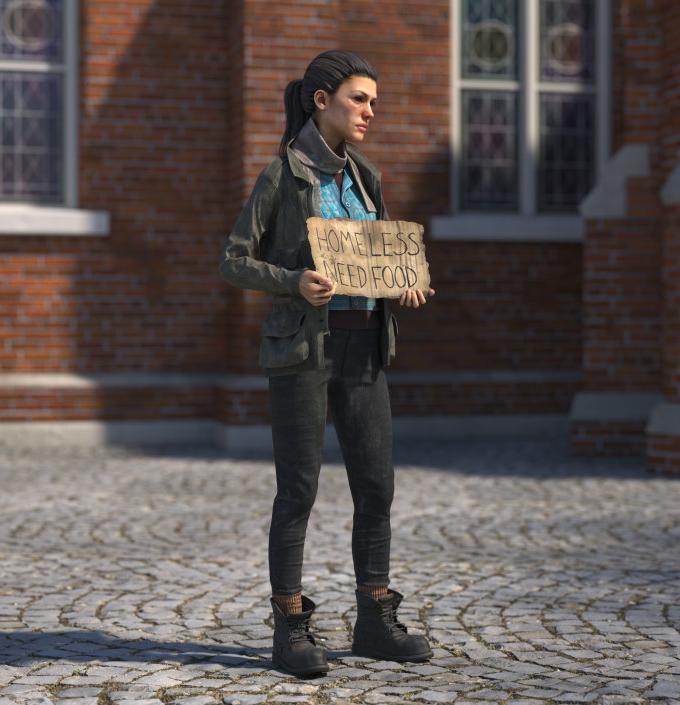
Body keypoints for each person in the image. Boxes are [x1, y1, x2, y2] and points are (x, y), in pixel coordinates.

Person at [218, 49, 434, 677]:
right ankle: (290, 623)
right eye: (359, 99)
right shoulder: (282, 177)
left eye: (373, 100)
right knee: (299, 491)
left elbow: (378, 256)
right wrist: (291, 281)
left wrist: (400, 284)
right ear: (321, 101)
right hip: (303, 352)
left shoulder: (366, 174)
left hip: (366, 348)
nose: (371, 111)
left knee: (377, 487)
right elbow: (233, 259)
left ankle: (374, 617)